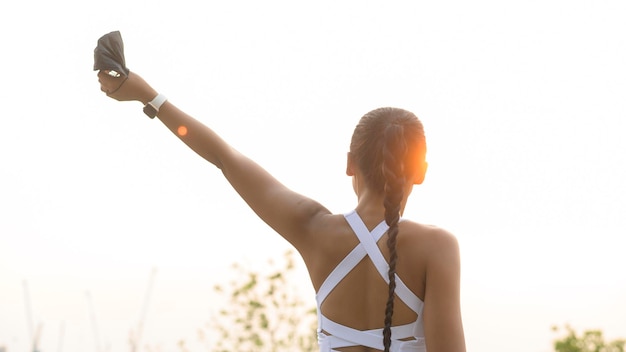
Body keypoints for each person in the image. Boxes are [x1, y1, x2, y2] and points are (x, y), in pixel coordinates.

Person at [97, 70, 466, 352]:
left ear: (350, 164)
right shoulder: (437, 247)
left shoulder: (313, 229)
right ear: (420, 171)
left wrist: (146, 94)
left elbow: (225, 158)